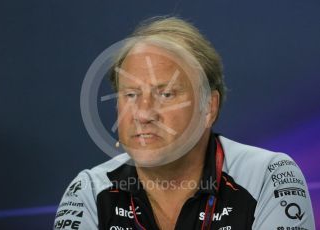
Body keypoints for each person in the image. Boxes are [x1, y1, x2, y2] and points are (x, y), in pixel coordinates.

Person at [53, 16, 315, 230]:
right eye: (131, 95)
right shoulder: (88, 190)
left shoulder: (269, 176)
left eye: (166, 94)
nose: (143, 113)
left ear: (209, 108)